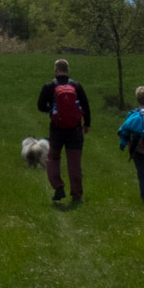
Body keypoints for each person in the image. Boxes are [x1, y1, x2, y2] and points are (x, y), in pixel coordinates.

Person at [36, 58, 90, 202]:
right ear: (67, 69)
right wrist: (87, 124)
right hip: (75, 129)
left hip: (57, 130)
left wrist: (50, 110)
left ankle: (58, 187)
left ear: (56, 70)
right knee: (74, 163)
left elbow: (40, 105)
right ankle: (77, 194)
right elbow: (85, 106)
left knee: (53, 158)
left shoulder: (49, 86)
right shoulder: (76, 86)